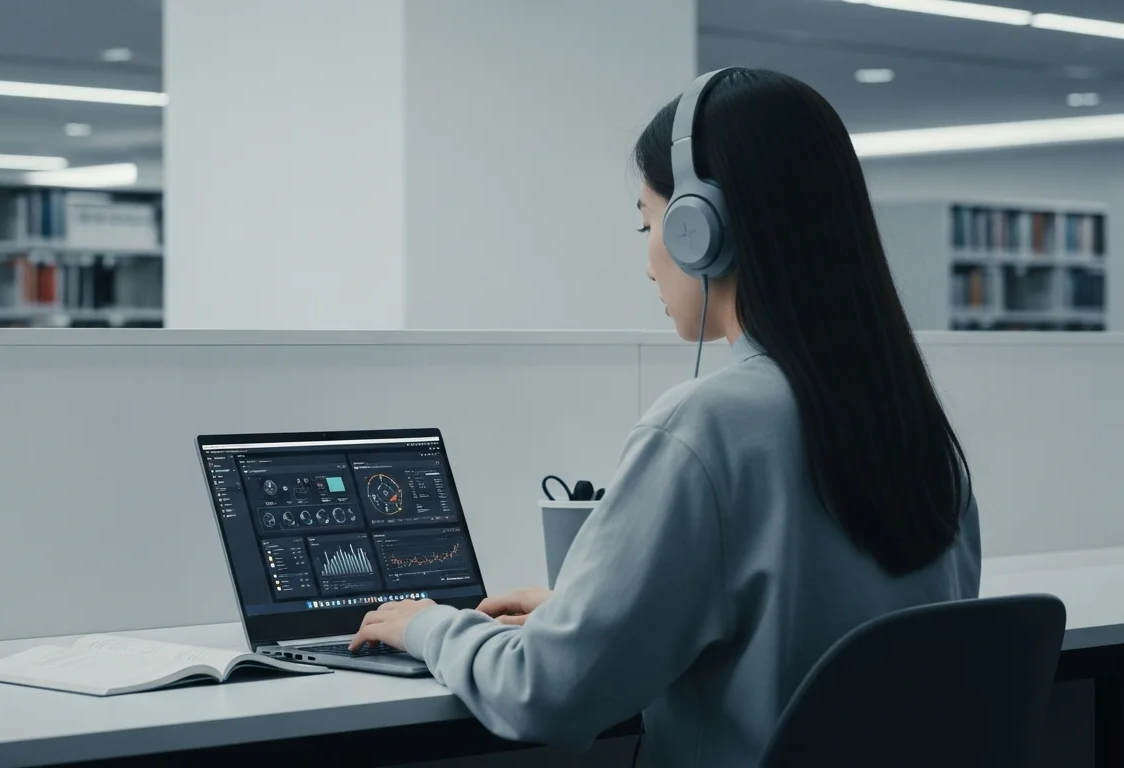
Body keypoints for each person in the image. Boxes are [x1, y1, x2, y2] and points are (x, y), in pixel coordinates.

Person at [349, 68, 981, 765]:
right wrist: (579, 617)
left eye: (649, 223)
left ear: (699, 231)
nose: (650, 262)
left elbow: (544, 696)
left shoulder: (707, 426)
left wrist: (431, 628)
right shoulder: (916, 426)